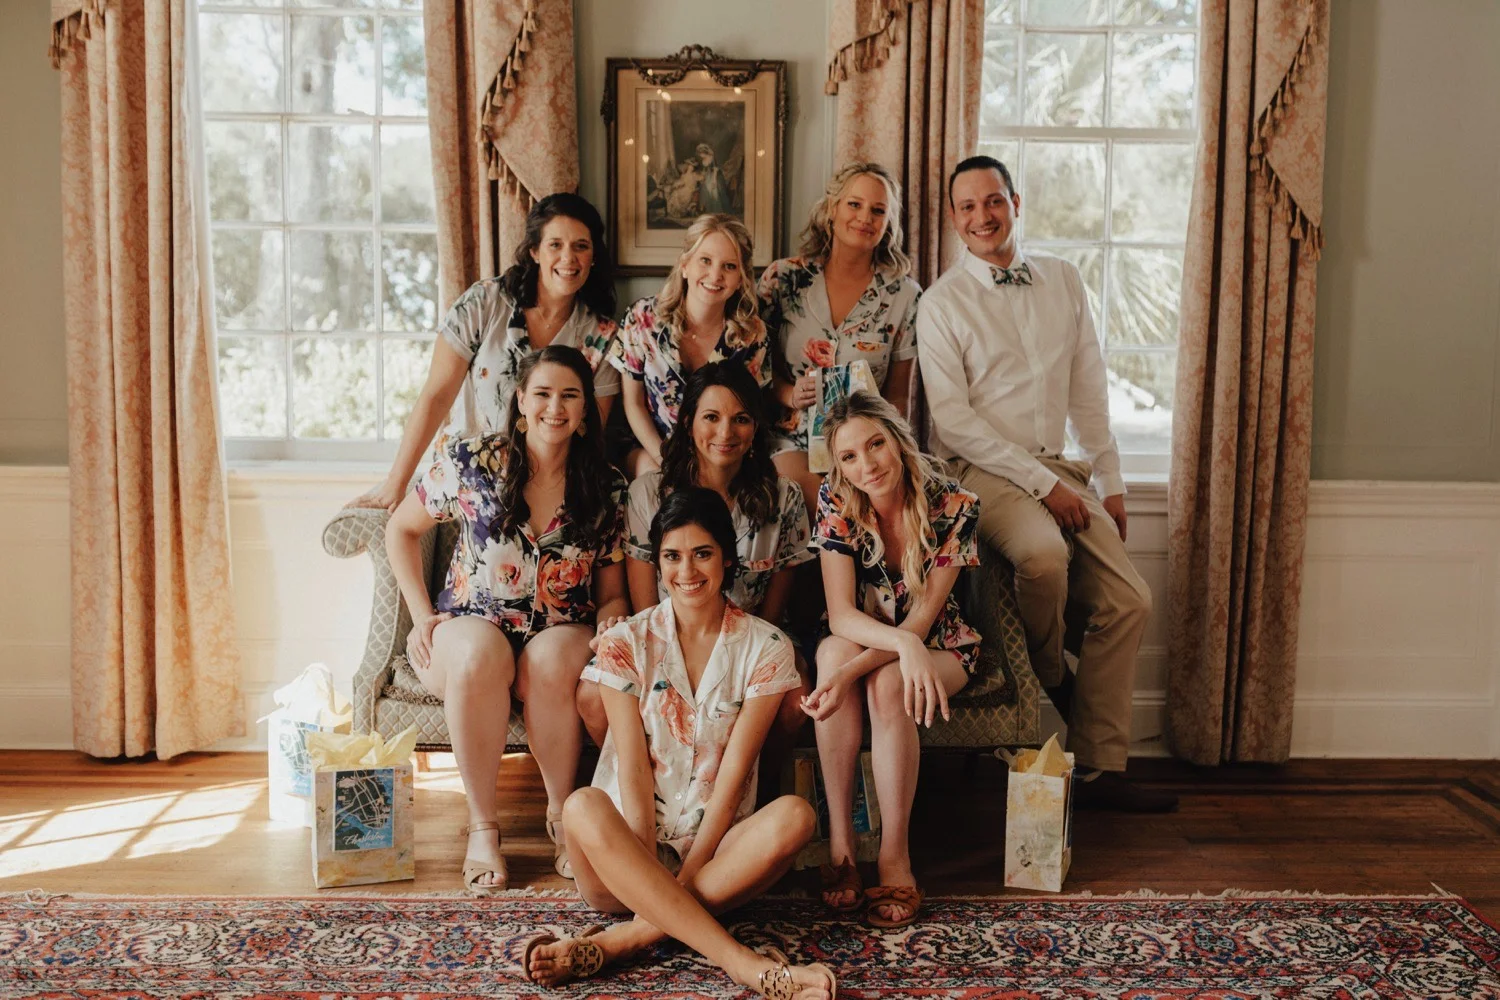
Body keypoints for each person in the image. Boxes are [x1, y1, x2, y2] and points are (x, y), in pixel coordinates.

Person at [915, 154, 1173, 814]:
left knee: (1130, 601)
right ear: (954, 219)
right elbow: (954, 422)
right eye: (967, 207)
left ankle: (1102, 770)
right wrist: (1041, 485)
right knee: (1041, 554)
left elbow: (1088, 388)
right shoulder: (941, 303)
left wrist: (1109, 481)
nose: (982, 216)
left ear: (1016, 203)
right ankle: (1053, 672)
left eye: (993, 201)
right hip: (980, 470)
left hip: (1060, 467)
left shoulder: (1064, 279)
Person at [522, 488, 835, 1000]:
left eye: (702, 553)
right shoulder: (625, 641)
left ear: (727, 558)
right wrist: (646, 871)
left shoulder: (767, 647)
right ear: (658, 562)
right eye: (672, 556)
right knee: (581, 805)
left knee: (797, 816)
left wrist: (681, 882)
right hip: (623, 860)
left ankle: (622, 941)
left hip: (715, 861)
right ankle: (743, 964)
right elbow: (631, 769)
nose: (686, 571)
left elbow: (734, 778)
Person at [384, 346, 630, 893]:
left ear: (585, 409)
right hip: (468, 628)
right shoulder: (471, 461)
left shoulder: (606, 486)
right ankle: (482, 827)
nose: (555, 408)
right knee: (479, 652)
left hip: (560, 633)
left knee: (550, 659)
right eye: (542, 393)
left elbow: (612, 593)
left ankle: (563, 816)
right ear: (521, 400)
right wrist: (421, 615)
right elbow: (400, 529)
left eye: (570, 396)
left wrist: (613, 623)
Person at [801, 392, 980, 930]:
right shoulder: (836, 498)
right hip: (865, 634)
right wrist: (875, 655)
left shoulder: (956, 504)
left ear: (898, 440)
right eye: (849, 456)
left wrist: (868, 665)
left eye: (876, 444)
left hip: (940, 644)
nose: (868, 465)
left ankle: (894, 857)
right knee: (835, 652)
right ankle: (841, 848)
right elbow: (840, 614)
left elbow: (921, 626)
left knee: (886, 685)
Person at [576, 362, 814, 745]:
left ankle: (755, 779)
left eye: (740, 419)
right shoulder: (647, 494)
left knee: (793, 698)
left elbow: (772, 614)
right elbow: (646, 607)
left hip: (753, 635)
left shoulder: (783, 497)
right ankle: (644, 777)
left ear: (756, 427)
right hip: (666, 634)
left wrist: (738, 661)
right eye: (711, 417)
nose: (725, 432)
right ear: (688, 423)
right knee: (592, 696)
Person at [346, 193, 619, 510]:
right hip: (468, 475)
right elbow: (437, 395)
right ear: (534, 251)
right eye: (555, 245)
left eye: (581, 246)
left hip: (548, 484)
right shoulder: (485, 303)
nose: (568, 258)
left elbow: (589, 433)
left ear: (593, 256)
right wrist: (396, 483)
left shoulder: (602, 336)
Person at [759, 161, 921, 514]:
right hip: (791, 439)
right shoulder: (783, 279)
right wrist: (789, 394)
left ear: (888, 223)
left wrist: (890, 456)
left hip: (866, 448)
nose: (865, 217)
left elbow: (898, 397)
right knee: (817, 497)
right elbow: (754, 369)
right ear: (832, 208)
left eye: (878, 210)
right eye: (854, 204)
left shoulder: (904, 296)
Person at [610, 214, 772, 478]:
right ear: (685, 265)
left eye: (729, 266)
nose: (715, 275)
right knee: (658, 486)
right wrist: (665, 460)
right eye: (705, 260)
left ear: (741, 278)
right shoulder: (641, 319)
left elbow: (749, 415)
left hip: (720, 451)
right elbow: (633, 404)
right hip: (652, 448)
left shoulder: (751, 334)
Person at [695, 142, 732, 215]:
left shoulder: (711, 157)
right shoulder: (702, 160)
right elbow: (704, 170)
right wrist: (702, 177)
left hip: (715, 176)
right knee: (704, 190)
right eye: (699, 154)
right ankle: (707, 211)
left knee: (714, 191)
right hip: (707, 176)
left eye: (701, 153)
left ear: (704, 152)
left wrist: (714, 180)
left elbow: (715, 169)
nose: (700, 155)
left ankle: (717, 211)